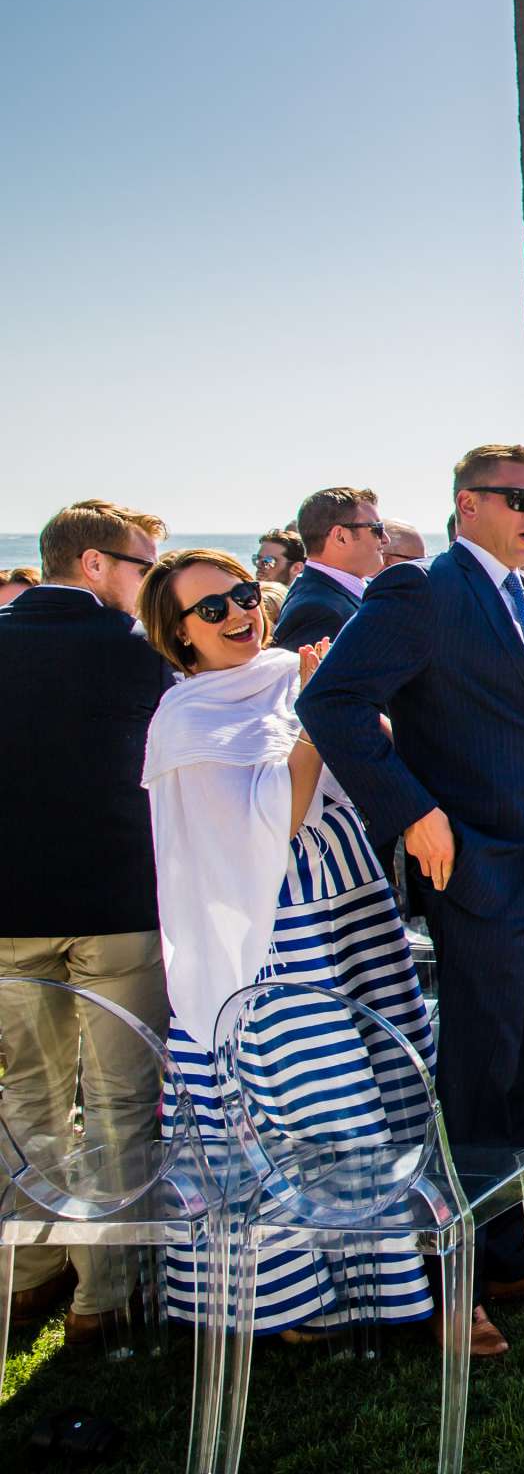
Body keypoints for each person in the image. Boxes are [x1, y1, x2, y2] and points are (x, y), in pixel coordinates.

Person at [299, 443, 524, 1357]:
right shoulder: (422, 591)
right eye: (518, 498)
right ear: (466, 504)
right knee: (474, 1078)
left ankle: (513, 1258)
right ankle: (452, 1283)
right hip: (473, 870)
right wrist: (413, 812)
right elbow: (331, 704)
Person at [137, 549, 437, 1337]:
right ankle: (303, 1302)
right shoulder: (186, 718)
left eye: (242, 595)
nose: (240, 614)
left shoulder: (284, 671)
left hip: (350, 904)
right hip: (279, 933)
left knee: (386, 1084)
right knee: (322, 1106)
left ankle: (397, 1271)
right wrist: (319, 707)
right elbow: (276, 819)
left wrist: (341, 702)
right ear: (179, 635)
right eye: (213, 610)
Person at [0, 499, 172, 1345]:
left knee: (24, 1098)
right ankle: (101, 1297)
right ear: (95, 563)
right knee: (118, 1103)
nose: (149, 584)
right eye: (142, 566)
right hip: (116, 910)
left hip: (9, 913)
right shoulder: (136, 657)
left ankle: (28, 1276)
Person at [274, 485, 386, 648]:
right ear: (340, 537)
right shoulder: (316, 610)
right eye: (377, 529)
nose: (386, 539)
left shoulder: (348, 591)